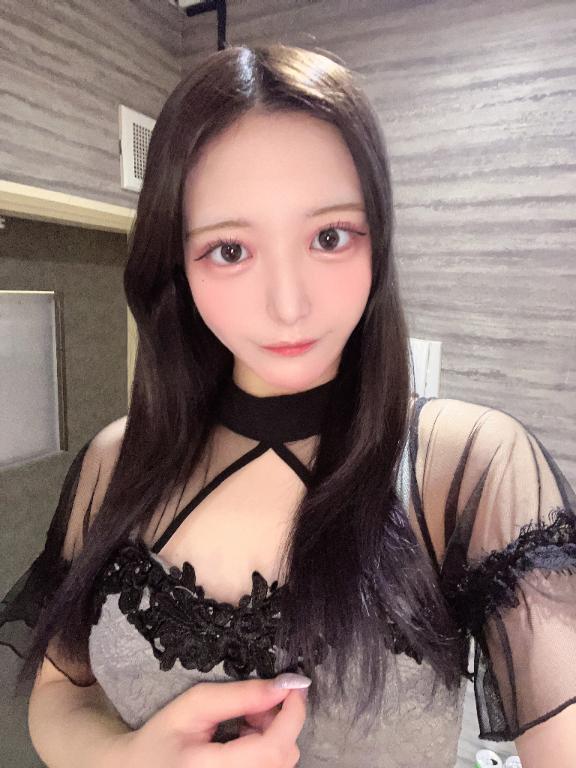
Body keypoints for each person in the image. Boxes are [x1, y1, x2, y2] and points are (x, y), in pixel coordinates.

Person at [1, 42, 575, 768]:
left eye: (329, 237)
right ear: (176, 262)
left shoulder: (463, 470)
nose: (288, 304)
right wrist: (131, 758)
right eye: (229, 250)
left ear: (378, 237)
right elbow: (61, 691)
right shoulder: (115, 462)